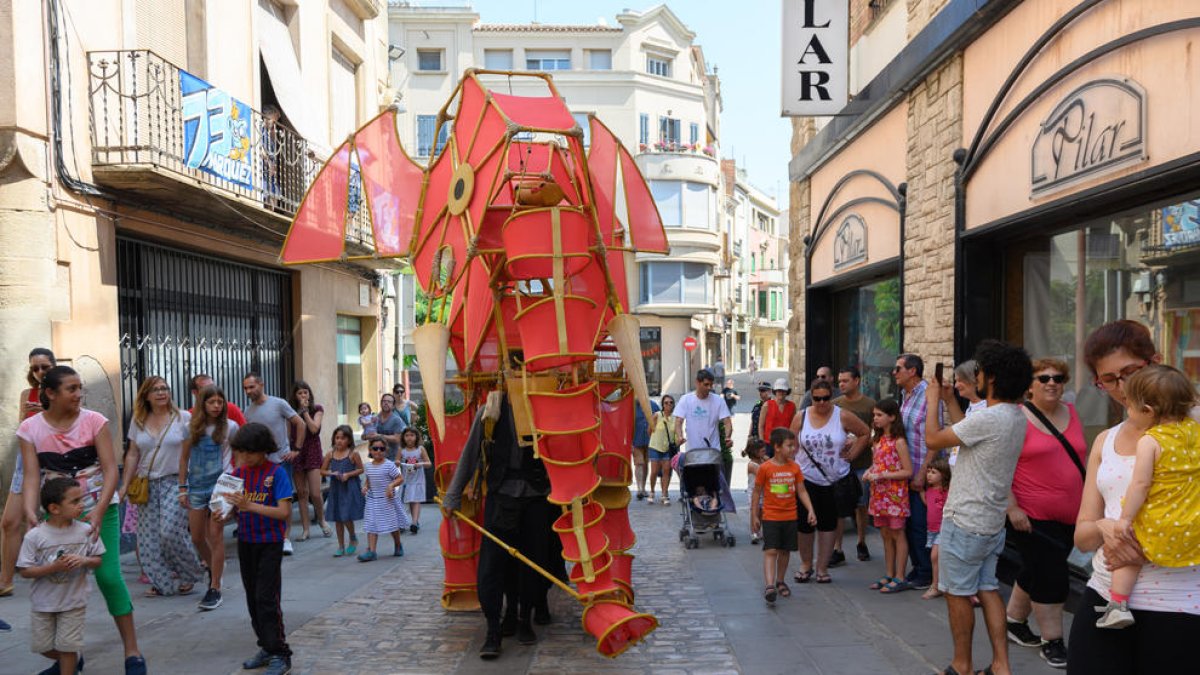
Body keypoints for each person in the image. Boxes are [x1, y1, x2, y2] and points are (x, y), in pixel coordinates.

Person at [1068, 320, 1200, 674]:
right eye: (1108, 379)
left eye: (1130, 372)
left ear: (1156, 361)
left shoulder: (1195, 429)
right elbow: (1082, 536)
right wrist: (1107, 527)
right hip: (1104, 595)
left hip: (1181, 606)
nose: (1123, 387)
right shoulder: (1105, 441)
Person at [18, 365, 147, 674]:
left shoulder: (94, 421)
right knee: (57, 582)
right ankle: (69, 658)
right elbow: (32, 476)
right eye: (71, 389)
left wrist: (100, 510)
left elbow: (110, 468)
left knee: (109, 578)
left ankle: (133, 652)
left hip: (100, 510)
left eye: (80, 388)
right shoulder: (30, 429)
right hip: (58, 515)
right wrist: (28, 511)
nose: (79, 394)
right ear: (50, 393)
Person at [924, 339, 1033, 675]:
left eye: (982, 371)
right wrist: (948, 400)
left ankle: (962, 664)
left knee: (957, 594)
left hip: (965, 519)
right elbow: (965, 431)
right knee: (988, 589)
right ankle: (1001, 665)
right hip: (989, 522)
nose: (978, 376)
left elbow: (933, 439)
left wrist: (932, 403)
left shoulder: (991, 418)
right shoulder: (1014, 416)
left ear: (993, 378)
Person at [442, 392, 553, 658]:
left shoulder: (547, 405)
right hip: (501, 497)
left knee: (533, 563)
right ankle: (494, 628)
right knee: (491, 568)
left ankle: (524, 618)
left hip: (538, 499)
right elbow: (471, 453)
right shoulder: (491, 410)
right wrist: (453, 494)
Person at [1099, 364, 1200, 629]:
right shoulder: (1195, 430)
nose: (1128, 413)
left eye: (1130, 407)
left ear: (1149, 411)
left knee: (1128, 548)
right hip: (1192, 520)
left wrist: (1124, 520)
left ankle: (1117, 605)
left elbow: (1141, 484)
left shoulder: (1150, 441)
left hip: (1160, 521)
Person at [1001, 358, 1085, 668]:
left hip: (1072, 515)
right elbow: (1001, 468)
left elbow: (1083, 458)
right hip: (1030, 515)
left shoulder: (1073, 413)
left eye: (1059, 378)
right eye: (1044, 378)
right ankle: (1053, 641)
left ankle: (1013, 621)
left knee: (1038, 568)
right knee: (1053, 576)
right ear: (1030, 385)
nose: (1052, 383)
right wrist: (1012, 507)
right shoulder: (1017, 419)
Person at [120, 376, 205, 597]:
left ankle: (189, 573)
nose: (161, 393)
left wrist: (190, 483)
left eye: (165, 388)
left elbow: (193, 450)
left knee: (170, 532)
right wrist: (123, 486)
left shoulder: (182, 418)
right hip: (146, 484)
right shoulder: (138, 421)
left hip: (174, 482)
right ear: (146, 396)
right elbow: (132, 454)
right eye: (156, 390)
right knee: (148, 537)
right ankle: (161, 582)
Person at [221, 423, 295, 675]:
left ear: (263, 449)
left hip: (270, 543)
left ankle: (281, 653)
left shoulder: (277, 473)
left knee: (267, 597)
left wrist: (248, 506)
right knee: (252, 597)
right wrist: (224, 510)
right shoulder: (238, 474)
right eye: (241, 452)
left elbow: (284, 512)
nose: (244, 457)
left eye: (249, 452)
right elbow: (231, 510)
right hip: (246, 541)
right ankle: (265, 645)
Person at [17, 477, 104, 675]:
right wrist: (53, 567)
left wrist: (84, 561)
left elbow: (98, 560)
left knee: (67, 647)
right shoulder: (35, 536)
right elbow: (25, 571)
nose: (81, 505)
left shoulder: (86, 531)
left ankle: (69, 664)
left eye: (81, 499)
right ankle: (73, 659)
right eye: (75, 502)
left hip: (74, 601)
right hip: (43, 603)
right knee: (43, 646)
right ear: (54, 508)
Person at [789, 380, 871, 584]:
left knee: (828, 525)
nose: (822, 402)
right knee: (804, 525)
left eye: (826, 398)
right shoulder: (802, 416)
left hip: (834, 480)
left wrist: (852, 454)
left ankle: (822, 568)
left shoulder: (841, 415)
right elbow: (790, 445)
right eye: (817, 398)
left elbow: (864, 433)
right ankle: (805, 564)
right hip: (806, 478)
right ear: (812, 397)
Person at [2, 347, 56, 597]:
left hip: (53, 461)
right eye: (35, 368)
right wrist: (28, 415)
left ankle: (56, 571)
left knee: (52, 520)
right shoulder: (28, 393)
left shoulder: (64, 390)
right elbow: (22, 428)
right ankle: (5, 580)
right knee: (10, 521)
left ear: (54, 366)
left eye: (45, 366)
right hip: (26, 461)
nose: (40, 372)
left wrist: (45, 412)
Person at [179, 385, 239, 611]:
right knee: (196, 537)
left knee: (216, 536)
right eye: (211, 402)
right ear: (202, 404)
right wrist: (182, 488)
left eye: (220, 402)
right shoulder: (190, 428)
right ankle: (214, 568)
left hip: (221, 486)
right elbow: (184, 459)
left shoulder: (230, 427)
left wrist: (234, 482)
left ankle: (214, 588)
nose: (216, 406)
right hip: (196, 486)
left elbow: (239, 455)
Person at [242, 372, 305, 555]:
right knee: (264, 499)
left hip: (281, 460)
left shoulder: (278, 403)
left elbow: (299, 424)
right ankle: (268, 534)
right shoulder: (248, 412)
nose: (248, 391)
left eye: (251, 387)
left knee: (283, 499)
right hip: (260, 464)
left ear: (261, 384)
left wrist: (297, 450)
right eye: (245, 388)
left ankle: (285, 538)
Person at [751, 428, 816, 605]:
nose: (793, 449)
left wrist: (810, 509)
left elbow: (801, 490)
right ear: (777, 447)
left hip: (790, 516)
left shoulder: (794, 467)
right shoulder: (765, 468)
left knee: (785, 551)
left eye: (794, 445)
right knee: (771, 550)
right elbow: (757, 492)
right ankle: (770, 585)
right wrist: (754, 516)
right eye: (789, 446)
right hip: (771, 516)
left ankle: (780, 580)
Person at [895, 353, 937, 588]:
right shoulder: (906, 395)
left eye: (898, 368)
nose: (894, 373)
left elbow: (934, 438)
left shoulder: (929, 397)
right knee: (909, 524)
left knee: (921, 524)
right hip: (905, 472)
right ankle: (917, 566)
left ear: (912, 371)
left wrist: (923, 473)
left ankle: (926, 572)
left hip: (922, 471)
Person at [864, 398, 912, 594]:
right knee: (885, 534)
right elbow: (878, 464)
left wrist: (883, 475)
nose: (875, 418)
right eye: (874, 415)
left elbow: (908, 471)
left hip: (895, 495)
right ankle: (889, 573)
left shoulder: (898, 441)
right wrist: (869, 471)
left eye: (879, 415)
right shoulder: (878, 440)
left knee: (897, 533)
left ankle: (900, 575)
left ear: (892, 417)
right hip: (879, 493)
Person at [834, 366, 877, 563]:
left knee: (861, 504)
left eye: (845, 380)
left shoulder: (869, 405)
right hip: (839, 464)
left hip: (862, 463)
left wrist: (860, 441)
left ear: (857, 381)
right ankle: (837, 548)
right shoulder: (835, 405)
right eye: (840, 381)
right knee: (839, 506)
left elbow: (876, 435)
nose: (841, 384)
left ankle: (861, 542)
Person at [288, 381, 330, 541]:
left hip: (312, 451)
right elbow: (288, 432)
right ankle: (305, 529)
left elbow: (314, 429)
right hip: (297, 451)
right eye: (299, 393)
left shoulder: (317, 409)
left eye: (305, 392)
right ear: (295, 396)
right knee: (302, 493)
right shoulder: (290, 412)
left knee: (315, 493)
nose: (303, 396)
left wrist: (304, 412)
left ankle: (322, 520)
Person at [359, 440, 409, 561]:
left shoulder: (388, 465)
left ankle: (398, 544)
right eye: (375, 448)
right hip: (372, 499)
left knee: (392, 525)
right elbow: (369, 480)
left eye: (381, 449)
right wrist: (365, 487)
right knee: (371, 524)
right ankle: (371, 551)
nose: (378, 451)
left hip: (387, 500)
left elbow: (400, 478)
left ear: (386, 451)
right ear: (370, 450)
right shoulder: (368, 466)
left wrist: (391, 486)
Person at [322, 426, 365, 557]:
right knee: (337, 517)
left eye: (343, 438)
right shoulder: (330, 454)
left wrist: (348, 474)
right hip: (336, 488)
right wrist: (331, 473)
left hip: (349, 488)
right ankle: (340, 545)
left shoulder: (353, 454)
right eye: (337, 438)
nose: (339, 441)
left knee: (346, 515)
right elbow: (321, 470)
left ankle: (352, 537)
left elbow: (361, 469)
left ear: (349, 440)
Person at [674, 368, 732, 459]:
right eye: (706, 384)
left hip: (713, 451)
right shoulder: (685, 400)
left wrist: (728, 437)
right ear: (697, 383)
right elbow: (678, 421)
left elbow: (727, 422)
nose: (709, 388)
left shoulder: (718, 400)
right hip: (693, 452)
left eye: (711, 385)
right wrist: (679, 436)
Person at [922, 456, 952, 601]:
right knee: (938, 558)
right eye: (928, 472)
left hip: (943, 529)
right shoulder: (929, 491)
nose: (929, 475)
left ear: (944, 475)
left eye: (933, 472)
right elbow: (928, 505)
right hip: (931, 530)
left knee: (935, 556)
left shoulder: (946, 491)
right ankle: (942, 584)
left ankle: (936, 586)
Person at [398, 427, 432, 533]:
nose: (409, 438)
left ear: (416, 437)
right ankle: (403, 522)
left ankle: (414, 522)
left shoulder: (420, 449)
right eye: (407, 435)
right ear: (403, 437)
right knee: (405, 501)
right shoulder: (401, 450)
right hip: (406, 481)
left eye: (412, 435)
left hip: (418, 480)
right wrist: (397, 463)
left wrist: (420, 464)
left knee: (415, 500)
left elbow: (429, 463)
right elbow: (396, 461)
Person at [647, 395, 677, 505]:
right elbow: (649, 430)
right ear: (662, 405)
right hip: (655, 447)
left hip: (667, 449)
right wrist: (655, 440)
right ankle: (652, 491)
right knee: (654, 471)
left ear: (673, 404)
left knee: (666, 471)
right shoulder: (657, 415)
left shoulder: (675, 418)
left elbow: (676, 434)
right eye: (666, 403)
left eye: (671, 402)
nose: (668, 404)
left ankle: (664, 494)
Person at [631, 397, 661, 501]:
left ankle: (643, 488)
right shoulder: (632, 406)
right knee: (639, 463)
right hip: (636, 440)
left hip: (650, 440)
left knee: (645, 464)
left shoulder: (653, 405)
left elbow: (660, 420)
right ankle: (639, 488)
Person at [744, 439, 768, 544]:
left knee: (762, 512)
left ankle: (759, 531)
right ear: (755, 452)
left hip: (763, 492)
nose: (765, 452)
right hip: (754, 492)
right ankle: (754, 532)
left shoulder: (763, 461)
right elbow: (764, 475)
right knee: (755, 511)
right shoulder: (752, 465)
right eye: (762, 451)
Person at [757, 378, 796, 443]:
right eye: (779, 390)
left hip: (785, 443)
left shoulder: (792, 406)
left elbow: (793, 426)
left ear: (787, 392)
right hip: (769, 443)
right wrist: (762, 442)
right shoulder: (767, 405)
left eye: (783, 391)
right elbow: (761, 426)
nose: (781, 393)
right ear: (775, 391)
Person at [370, 393, 407, 461]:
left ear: (393, 406)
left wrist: (379, 435)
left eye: (389, 402)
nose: (386, 403)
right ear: (381, 403)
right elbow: (368, 435)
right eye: (384, 401)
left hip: (393, 459)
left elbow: (397, 439)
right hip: (377, 457)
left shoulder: (396, 420)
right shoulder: (375, 418)